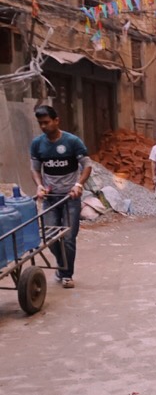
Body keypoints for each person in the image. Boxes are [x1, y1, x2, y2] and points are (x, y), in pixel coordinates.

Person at [29, 103, 92, 289]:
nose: (43, 126)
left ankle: (66, 274)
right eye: (40, 123)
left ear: (57, 120)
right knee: (50, 237)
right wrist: (40, 186)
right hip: (50, 197)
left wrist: (78, 184)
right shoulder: (37, 144)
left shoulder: (72, 142)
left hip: (70, 198)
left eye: (46, 122)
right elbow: (35, 169)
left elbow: (87, 165)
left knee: (69, 237)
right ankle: (62, 264)